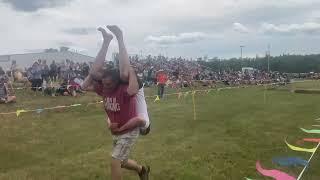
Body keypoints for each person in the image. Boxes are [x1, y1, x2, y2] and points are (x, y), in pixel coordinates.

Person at [82, 26, 149, 180]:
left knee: (115, 161)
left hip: (132, 127)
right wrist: (105, 42)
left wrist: (131, 70)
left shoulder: (125, 88)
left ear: (117, 83)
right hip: (118, 129)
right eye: (103, 83)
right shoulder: (106, 87)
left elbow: (126, 77)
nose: (104, 86)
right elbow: (88, 81)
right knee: (123, 161)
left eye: (108, 84)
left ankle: (119, 36)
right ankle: (141, 169)